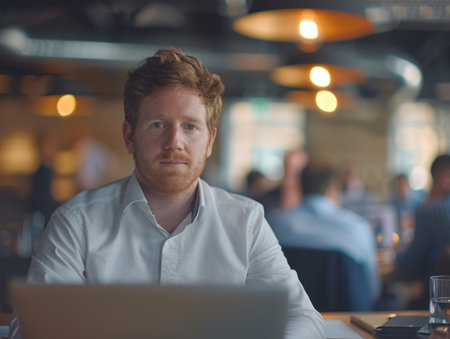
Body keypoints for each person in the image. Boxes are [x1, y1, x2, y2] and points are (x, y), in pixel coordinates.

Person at [9, 48, 324, 339]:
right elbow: (29, 327)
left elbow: (302, 316)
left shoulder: (246, 221)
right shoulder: (75, 222)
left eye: (190, 127)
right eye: (158, 124)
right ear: (129, 136)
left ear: (210, 140)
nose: (175, 142)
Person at [268, 162, 381, 306]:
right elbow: (371, 289)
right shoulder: (357, 229)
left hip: (287, 319)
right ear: (335, 188)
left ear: (300, 186)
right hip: (345, 322)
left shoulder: (273, 224)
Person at [393, 154, 450, 308]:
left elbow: (409, 265)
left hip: (440, 306)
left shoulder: (433, 212)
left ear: (442, 179)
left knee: (392, 298)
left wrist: (396, 254)